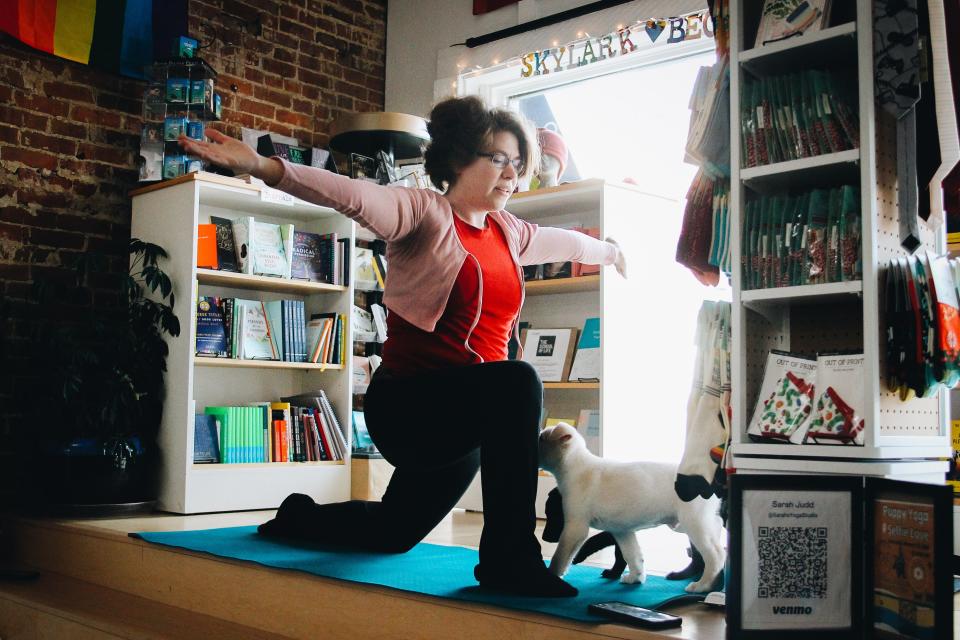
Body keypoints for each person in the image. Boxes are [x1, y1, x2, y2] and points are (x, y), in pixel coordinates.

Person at [179, 95, 627, 598]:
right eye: (498, 159)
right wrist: (265, 167)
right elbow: (351, 195)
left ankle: (297, 517)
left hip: (466, 413)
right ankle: (510, 560)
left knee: (393, 534)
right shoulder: (421, 213)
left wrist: (610, 252)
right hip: (409, 407)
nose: (511, 174)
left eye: (517, 164)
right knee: (517, 378)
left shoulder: (509, 232)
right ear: (459, 159)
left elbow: (567, 242)